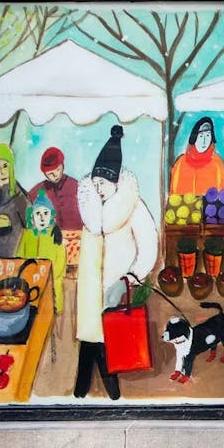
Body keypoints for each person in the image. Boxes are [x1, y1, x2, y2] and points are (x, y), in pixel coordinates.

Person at [73, 125, 160, 400]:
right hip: (90, 290)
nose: (98, 189)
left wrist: (131, 278)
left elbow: (149, 246)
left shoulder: (132, 206)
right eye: (95, 183)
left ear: (116, 182)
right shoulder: (90, 211)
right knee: (89, 335)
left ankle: (109, 390)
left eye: (104, 183)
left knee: (108, 336)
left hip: (117, 287)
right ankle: (83, 388)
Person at [27, 147, 83, 268]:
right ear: (45, 174)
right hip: (51, 242)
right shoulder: (38, 191)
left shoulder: (76, 186)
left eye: (58, 170)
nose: (56, 175)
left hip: (76, 242)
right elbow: (29, 214)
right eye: (50, 174)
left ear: (63, 166)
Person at [14, 190, 66, 315]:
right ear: (32, 217)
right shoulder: (27, 235)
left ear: (51, 216)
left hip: (51, 285)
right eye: (38, 213)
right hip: (29, 284)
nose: (42, 218)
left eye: (45, 213)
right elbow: (19, 259)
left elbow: (60, 267)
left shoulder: (55, 236)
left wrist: (47, 278)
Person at [169, 117, 224, 197]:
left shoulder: (217, 164)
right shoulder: (180, 163)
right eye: (201, 136)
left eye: (207, 135)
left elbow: (220, 195)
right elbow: (173, 194)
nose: (204, 140)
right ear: (194, 137)